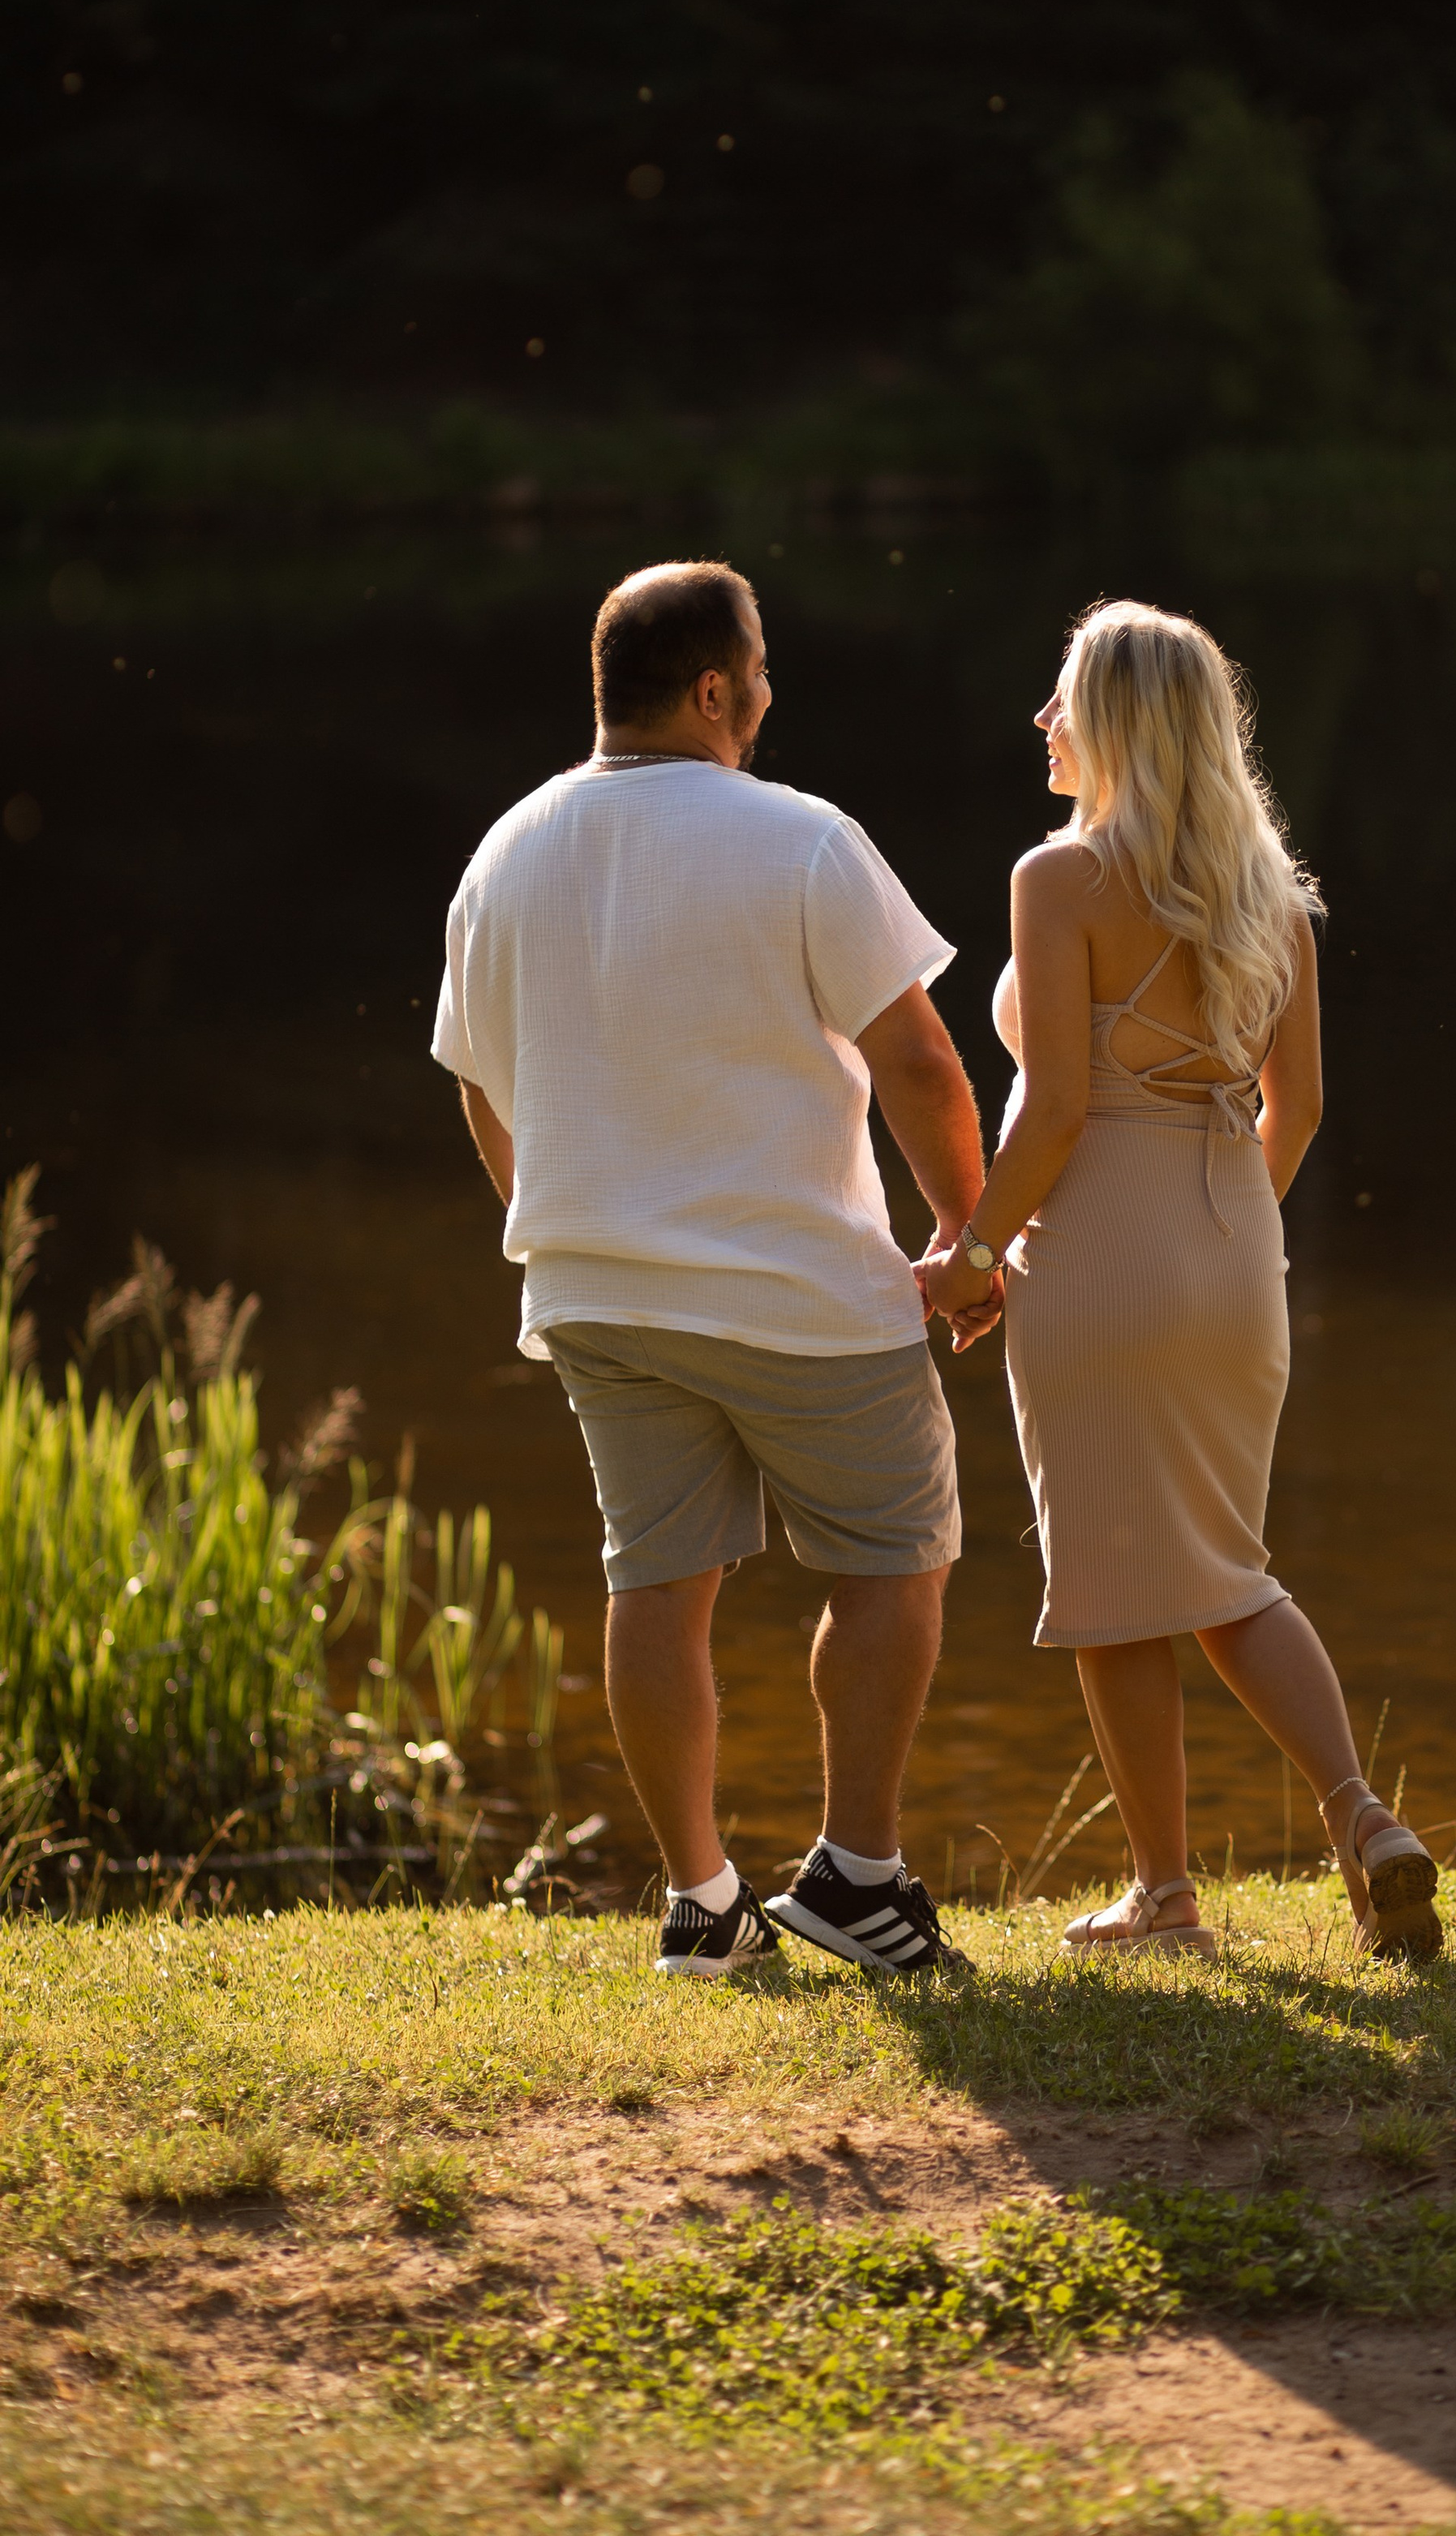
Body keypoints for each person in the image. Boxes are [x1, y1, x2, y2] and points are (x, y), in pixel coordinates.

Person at [432, 558, 999, 1978]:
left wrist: (559, 1210)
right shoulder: (801, 838)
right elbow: (923, 1063)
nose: (767, 694)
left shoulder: (504, 850)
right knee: (893, 1559)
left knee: (657, 1582)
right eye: (757, 671)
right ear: (710, 690)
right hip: (798, 1289)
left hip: (596, 1294)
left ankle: (701, 1901)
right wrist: (968, 1241)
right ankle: (859, 1878)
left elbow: (477, 1085)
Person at [918, 600, 1441, 1961]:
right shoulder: (1275, 896)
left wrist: (972, 1257)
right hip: (1234, 1255)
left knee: (1109, 1581)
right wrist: (1219, 1245)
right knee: (1227, 1572)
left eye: (1062, 699)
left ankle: (1165, 1899)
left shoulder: (1059, 877)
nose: (1044, 721)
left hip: (1095, 1257)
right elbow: (1304, 1109)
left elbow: (1057, 1113)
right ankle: (1363, 1817)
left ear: (1121, 725)